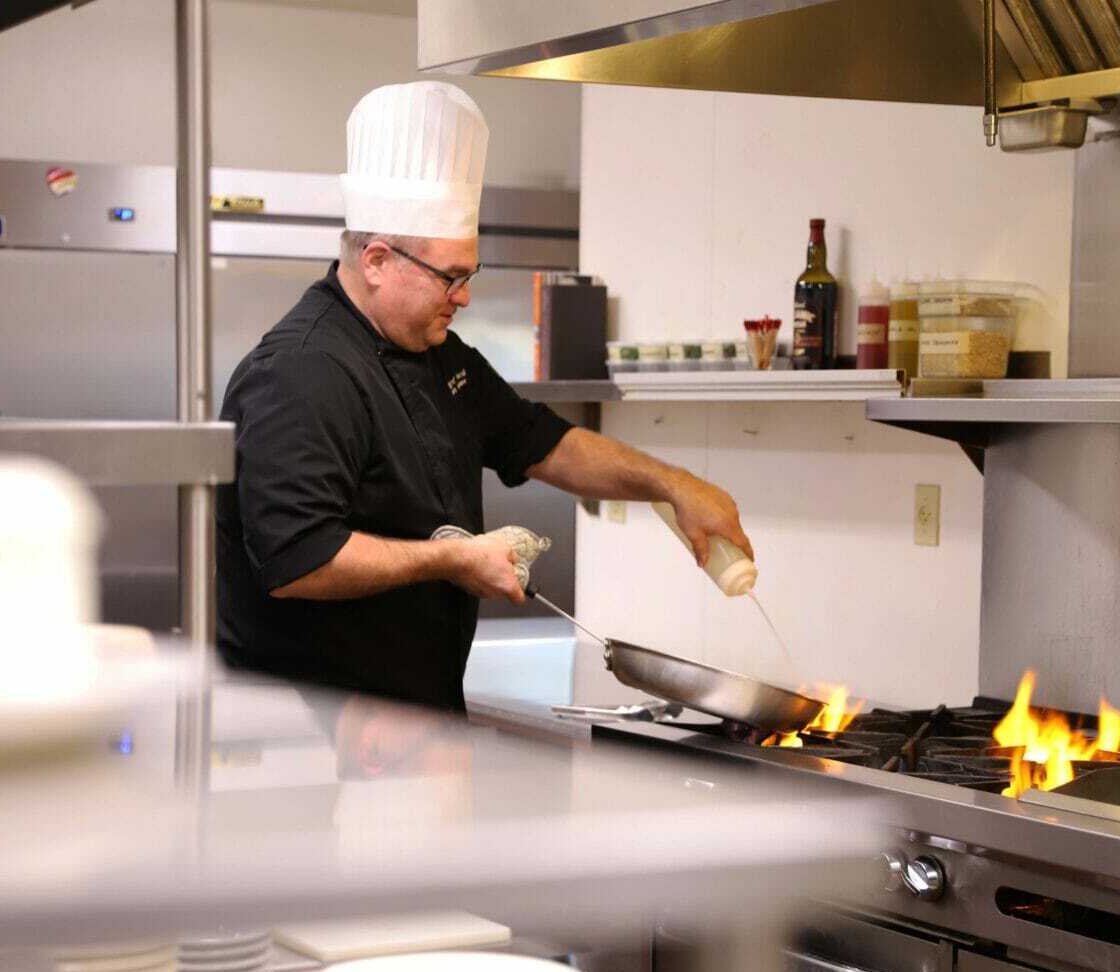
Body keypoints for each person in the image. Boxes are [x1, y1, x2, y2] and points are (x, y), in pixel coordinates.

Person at [217, 81, 751, 710]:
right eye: (451, 277)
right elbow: (298, 561)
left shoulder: (437, 354)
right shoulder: (302, 372)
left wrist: (673, 484)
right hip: (307, 743)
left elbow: (543, 442)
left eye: (471, 274)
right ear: (379, 261)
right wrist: (452, 561)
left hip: (417, 729)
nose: (465, 296)